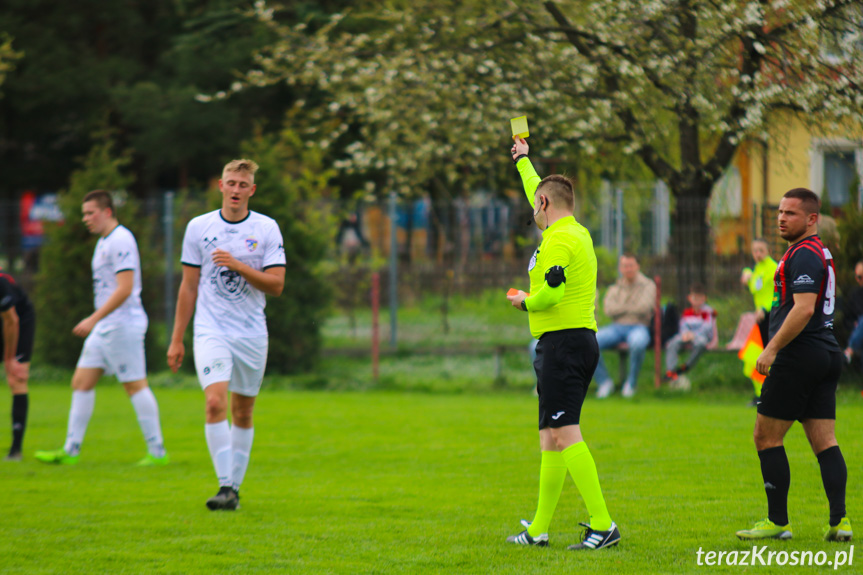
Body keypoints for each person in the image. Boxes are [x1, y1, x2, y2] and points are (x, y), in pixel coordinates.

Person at [504, 137, 619, 550]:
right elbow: (538, 187)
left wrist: (523, 302)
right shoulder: (570, 229)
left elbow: (551, 294)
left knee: (565, 431)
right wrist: (523, 161)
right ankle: (538, 530)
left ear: (545, 205)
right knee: (549, 436)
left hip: (565, 345)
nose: (533, 209)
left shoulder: (559, 240)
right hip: (564, 344)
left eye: (535, 204)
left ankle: (603, 524)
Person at [167, 159, 285, 511]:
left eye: (242, 184)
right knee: (215, 402)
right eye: (230, 183)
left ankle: (233, 488)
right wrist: (177, 338)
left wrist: (238, 266)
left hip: (251, 332)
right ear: (220, 185)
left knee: (243, 412)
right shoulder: (198, 227)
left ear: (252, 190)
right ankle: (225, 487)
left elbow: (277, 286)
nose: (236, 189)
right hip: (210, 329)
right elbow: (189, 288)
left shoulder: (266, 228)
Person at [737, 188, 851, 542]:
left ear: (812, 219)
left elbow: (803, 308)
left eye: (791, 213)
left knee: (765, 436)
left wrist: (771, 349)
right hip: (825, 353)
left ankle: (777, 521)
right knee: (825, 441)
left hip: (799, 355)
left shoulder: (803, 254)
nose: (782, 218)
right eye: (780, 212)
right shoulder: (818, 252)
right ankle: (840, 522)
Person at [35, 190, 168, 466]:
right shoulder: (104, 241)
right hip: (106, 326)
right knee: (81, 383)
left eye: (90, 213)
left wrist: (93, 318)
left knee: (134, 385)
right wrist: (98, 321)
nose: (85, 219)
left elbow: (125, 288)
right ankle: (71, 451)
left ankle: (157, 453)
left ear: (107, 212)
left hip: (122, 325)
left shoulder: (121, 239)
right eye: (83, 213)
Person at [593, 254, 657, 398]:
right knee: (590, 342)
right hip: (617, 327)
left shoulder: (648, 285)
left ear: (637, 266)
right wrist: (631, 307)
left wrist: (621, 308)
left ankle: (631, 384)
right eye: (624, 266)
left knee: (638, 343)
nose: (628, 269)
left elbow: (645, 308)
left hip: (639, 326)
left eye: (631, 265)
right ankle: (604, 382)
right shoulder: (616, 286)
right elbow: (608, 309)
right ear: (620, 268)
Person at [0, 268, 35, 461]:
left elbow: (11, 321)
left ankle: (15, 450)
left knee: (16, 379)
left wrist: (9, 359)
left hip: (19, 322)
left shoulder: (1, 283)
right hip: (5, 320)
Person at [740, 239, 778, 399]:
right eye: (755, 251)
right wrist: (747, 274)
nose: (758, 254)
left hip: (771, 315)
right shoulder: (758, 268)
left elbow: (776, 294)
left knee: (770, 355)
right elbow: (755, 287)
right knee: (758, 355)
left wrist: (764, 308)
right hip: (761, 317)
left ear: (768, 250)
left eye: (761, 250)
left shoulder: (772, 268)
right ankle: (763, 393)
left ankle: (773, 392)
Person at [663, 283, 716, 387]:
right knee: (672, 343)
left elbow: (707, 328)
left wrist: (693, 334)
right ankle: (671, 371)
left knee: (701, 343)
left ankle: (686, 366)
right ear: (689, 298)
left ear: (704, 298)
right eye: (694, 298)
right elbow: (683, 325)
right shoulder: (687, 312)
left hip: (701, 337)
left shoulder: (708, 312)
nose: (696, 301)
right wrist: (685, 334)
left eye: (699, 298)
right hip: (687, 336)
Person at [842, 260, 863, 363]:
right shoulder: (854, 295)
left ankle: (850, 350)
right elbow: (846, 318)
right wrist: (854, 324)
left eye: (861, 277)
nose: (859, 280)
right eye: (858, 277)